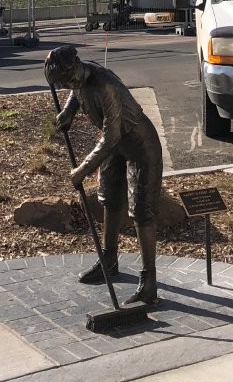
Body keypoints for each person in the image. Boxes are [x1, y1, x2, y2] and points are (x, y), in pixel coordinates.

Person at [44, 45, 164, 306]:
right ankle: (108, 261)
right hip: (116, 146)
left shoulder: (105, 85)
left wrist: (82, 170)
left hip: (140, 146)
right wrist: (69, 111)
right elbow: (78, 92)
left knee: (141, 211)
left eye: (70, 77)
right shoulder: (76, 77)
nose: (70, 83)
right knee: (109, 198)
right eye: (64, 83)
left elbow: (111, 137)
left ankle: (149, 283)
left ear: (76, 63)